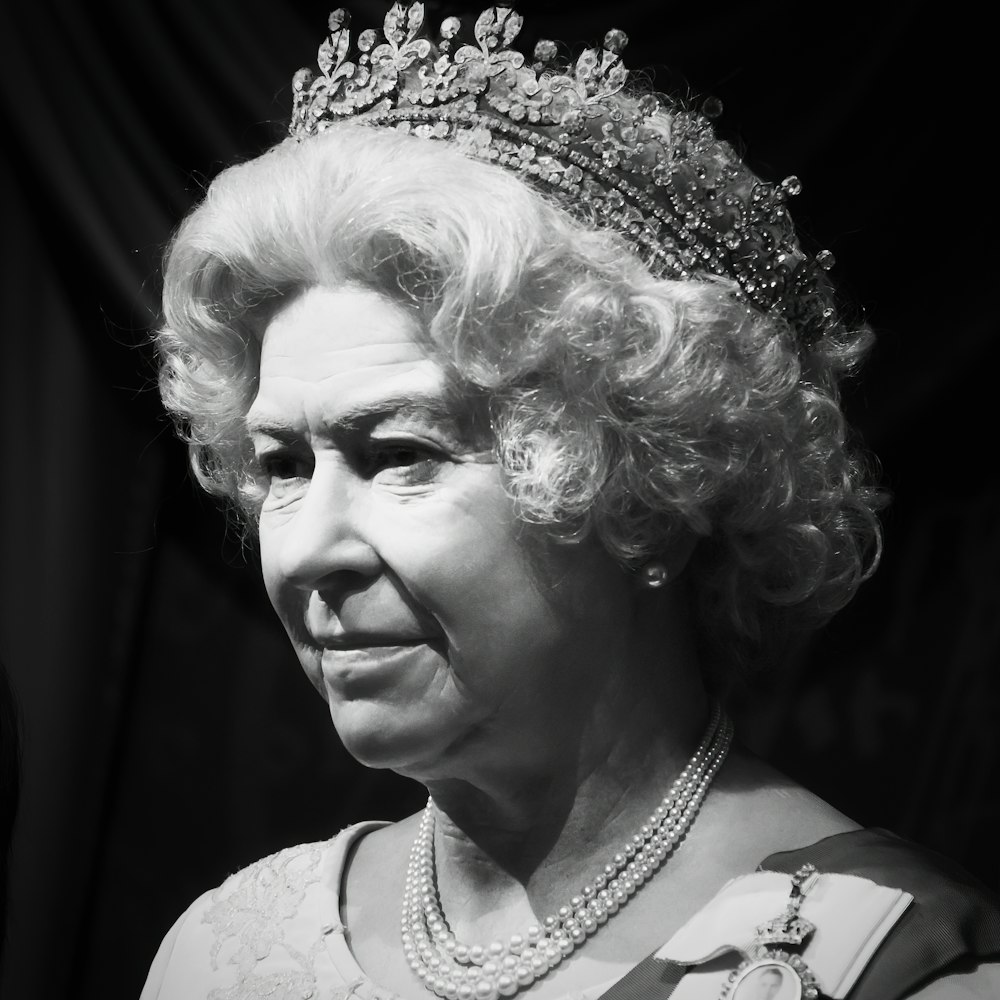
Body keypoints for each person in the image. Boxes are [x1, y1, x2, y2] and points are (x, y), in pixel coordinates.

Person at [140, 5, 1000, 999]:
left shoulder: (890, 967)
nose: (305, 553)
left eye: (400, 454)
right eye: (283, 466)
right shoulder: (227, 952)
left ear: (645, 488)